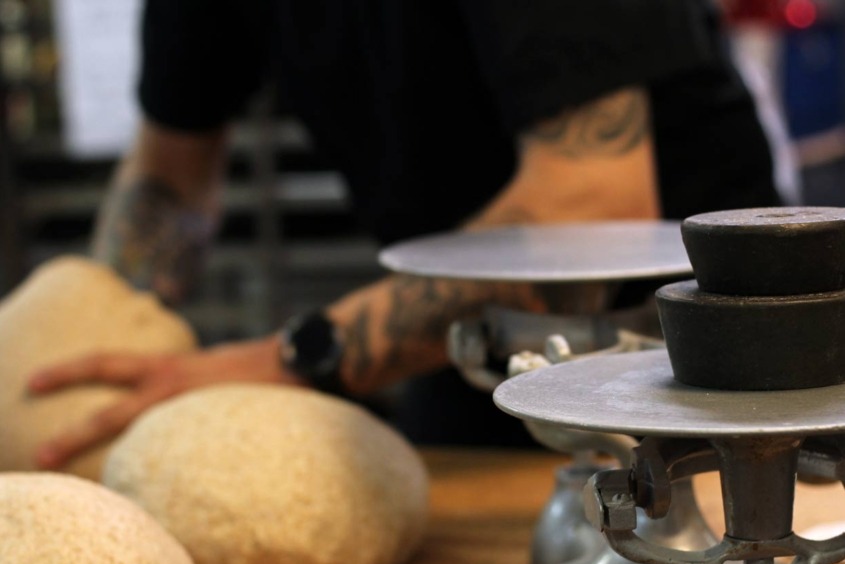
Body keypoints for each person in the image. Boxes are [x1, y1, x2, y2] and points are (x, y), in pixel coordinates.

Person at [28, 0, 783, 468]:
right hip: (469, 352)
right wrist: (89, 359)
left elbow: (582, 211)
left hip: (700, 374)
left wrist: (295, 357)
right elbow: (169, 180)